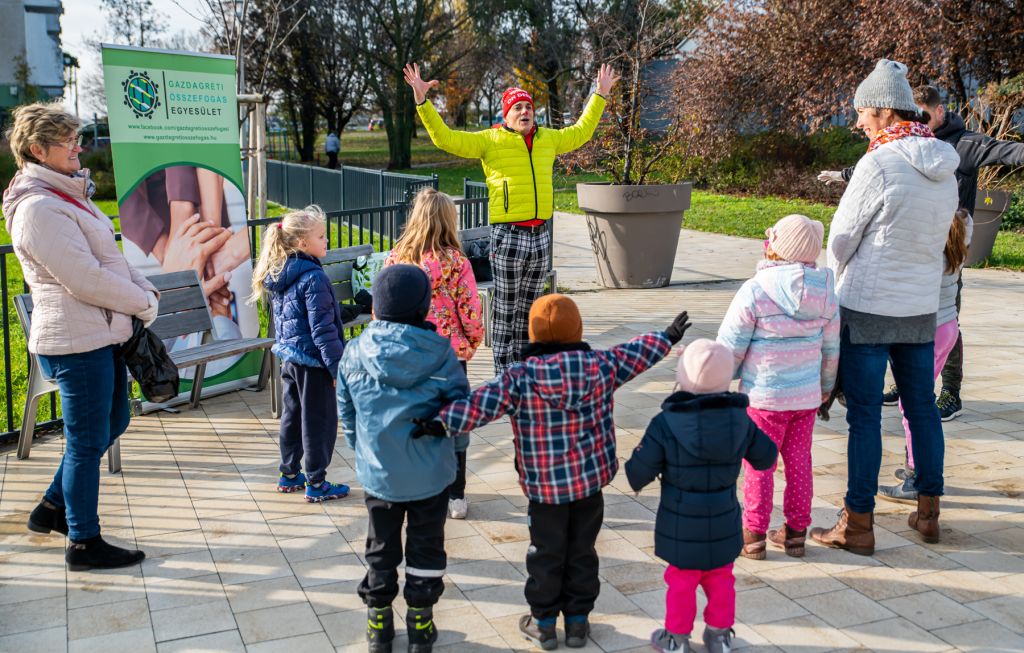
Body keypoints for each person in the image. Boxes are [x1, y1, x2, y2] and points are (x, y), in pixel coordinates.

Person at [416, 294, 691, 650]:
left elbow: (478, 406)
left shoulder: (519, 377)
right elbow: (635, 354)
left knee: (545, 554)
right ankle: (577, 622)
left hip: (544, 489)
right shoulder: (600, 365)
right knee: (583, 551)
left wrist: (437, 424)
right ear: (577, 328)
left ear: (534, 335)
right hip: (590, 484)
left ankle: (544, 623)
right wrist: (666, 336)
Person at [811, 60, 959, 554]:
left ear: (881, 111)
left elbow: (842, 238)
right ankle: (929, 511)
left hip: (870, 306)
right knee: (921, 409)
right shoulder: (945, 167)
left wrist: (841, 273)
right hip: (919, 306)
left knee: (866, 417)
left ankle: (857, 524)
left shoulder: (879, 163)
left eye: (861, 114)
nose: (857, 123)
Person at [4, 101, 158, 570]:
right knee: (87, 441)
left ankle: (51, 508)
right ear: (37, 149)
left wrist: (141, 286)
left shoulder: (69, 194)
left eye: (77, 138)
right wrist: (141, 303)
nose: (78, 147)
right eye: (67, 141)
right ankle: (83, 542)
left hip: (99, 332)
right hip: (75, 341)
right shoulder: (39, 208)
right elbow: (84, 278)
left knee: (113, 423)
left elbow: (108, 259)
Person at [819, 85, 1024, 420]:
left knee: (946, 319)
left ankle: (950, 392)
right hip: (909, 246)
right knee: (904, 318)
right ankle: (908, 382)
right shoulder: (903, 143)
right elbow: (877, 170)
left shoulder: (964, 144)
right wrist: (841, 175)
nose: (919, 122)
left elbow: (1008, 152)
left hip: (946, 247)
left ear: (939, 112)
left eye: (923, 116)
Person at [404, 62, 620, 373]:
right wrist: (422, 102)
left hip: (540, 234)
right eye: (517, 108)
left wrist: (600, 94)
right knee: (506, 309)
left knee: (531, 309)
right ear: (506, 115)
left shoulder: (548, 138)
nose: (524, 112)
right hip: (508, 236)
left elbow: (581, 132)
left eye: (528, 107)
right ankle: (504, 374)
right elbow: (445, 139)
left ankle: (525, 368)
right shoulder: (489, 141)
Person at [337, 264, 470, 653]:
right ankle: (420, 625)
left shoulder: (354, 352)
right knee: (426, 546)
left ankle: (378, 624)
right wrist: (456, 457)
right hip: (432, 476)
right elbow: (460, 416)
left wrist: (361, 450)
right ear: (424, 309)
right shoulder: (443, 355)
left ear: (375, 309)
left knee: (381, 546)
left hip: (379, 475)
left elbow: (346, 411)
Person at [625, 340, 778, 653]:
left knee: (681, 582)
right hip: (723, 521)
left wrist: (638, 467)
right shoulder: (741, 420)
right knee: (721, 579)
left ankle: (676, 639)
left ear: (683, 376)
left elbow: (637, 472)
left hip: (680, 524)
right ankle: (719, 636)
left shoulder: (666, 422)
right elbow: (766, 457)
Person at [716, 214, 839, 559]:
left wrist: (720, 383)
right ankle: (796, 533)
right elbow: (831, 348)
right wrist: (825, 387)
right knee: (799, 463)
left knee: (759, 466)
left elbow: (731, 343)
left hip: (764, 397)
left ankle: (753, 535)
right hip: (805, 398)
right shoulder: (827, 293)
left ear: (775, 248)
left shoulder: (755, 290)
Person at [383, 187, 484, 520]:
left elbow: (383, 303)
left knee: (413, 418)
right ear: (448, 222)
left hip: (407, 352)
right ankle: (455, 493)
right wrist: (472, 341)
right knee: (455, 421)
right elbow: (470, 307)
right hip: (448, 355)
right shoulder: (456, 262)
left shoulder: (397, 256)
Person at [251, 206, 349, 503]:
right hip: (314, 362)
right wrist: (336, 369)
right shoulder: (313, 277)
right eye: (322, 236)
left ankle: (289, 474)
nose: (327, 241)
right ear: (302, 243)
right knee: (318, 421)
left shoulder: (282, 272)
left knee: (292, 417)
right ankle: (316, 482)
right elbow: (323, 331)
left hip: (290, 358)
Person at [879, 208, 972, 505]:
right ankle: (917, 470)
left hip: (927, 332)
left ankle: (917, 476)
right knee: (919, 405)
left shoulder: (929, 259)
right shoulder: (956, 246)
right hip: (947, 328)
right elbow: (965, 218)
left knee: (914, 409)